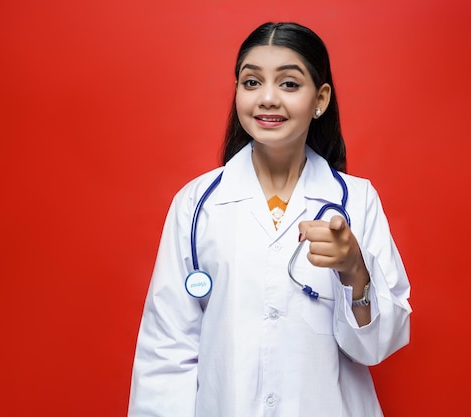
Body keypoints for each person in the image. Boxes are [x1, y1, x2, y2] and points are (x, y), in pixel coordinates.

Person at [128, 22, 412, 417]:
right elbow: (166, 351)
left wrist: (355, 273)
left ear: (321, 98)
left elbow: (377, 347)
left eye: (289, 84)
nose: (267, 98)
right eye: (251, 82)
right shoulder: (196, 204)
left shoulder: (357, 200)